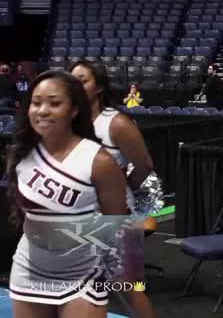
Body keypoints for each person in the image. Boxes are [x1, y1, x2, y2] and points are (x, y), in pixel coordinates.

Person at [7, 70, 128, 317]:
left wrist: (126, 283)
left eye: (54, 103)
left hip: (82, 275)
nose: (42, 110)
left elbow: (118, 227)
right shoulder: (20, 153)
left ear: (74, 109)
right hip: (29, 270)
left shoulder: (99, 161)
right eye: (36, 102)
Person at [71, 60, 156, 318]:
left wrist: (122, 187)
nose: (75, 85)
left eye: (82, 80)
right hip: (79, 214)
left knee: (130, 288)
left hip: (115, 215)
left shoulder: (116, 123)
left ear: (98, 87)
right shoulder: (70, 122)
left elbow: (143, 165)